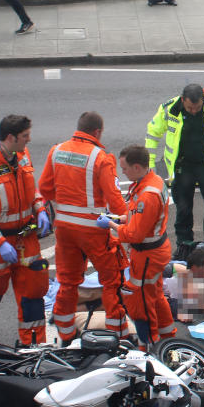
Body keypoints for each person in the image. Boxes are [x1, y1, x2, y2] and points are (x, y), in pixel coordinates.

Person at [38, 111, 129, 345]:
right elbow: (114, 198)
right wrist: (128, 218)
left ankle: (67, 334)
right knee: (112, 282)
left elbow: (45, 189)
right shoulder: (101, 157)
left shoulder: (57, 151)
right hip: (93, 231)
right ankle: (117, 334)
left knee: (68, 282)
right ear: (97, 132)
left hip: (65, 229)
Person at [0, 114, 52, 347]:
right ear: (11, 137)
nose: (29, 139)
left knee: (32, 299)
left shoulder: (22, 156)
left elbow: (30, 189)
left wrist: (40, 208)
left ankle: (33, 348)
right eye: (25, 136)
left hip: (26, 239)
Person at [97, 145, 177, 350]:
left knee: (140, 301)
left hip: (146, 254)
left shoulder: (146, 195)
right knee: (156, 295)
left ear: (137, 167)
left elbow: (135, 234)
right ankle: (168, 337)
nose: (122, 172)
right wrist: (123, 218)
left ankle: (149, 347)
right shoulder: (152, 182)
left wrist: (113, 225)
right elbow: (140, 219)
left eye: (124, 168)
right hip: (155, 250)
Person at [145, 83, 204, 247]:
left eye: (197, 107)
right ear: (183, 100)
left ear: (203, 99)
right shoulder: (170, 109)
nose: (194, 111)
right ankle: (184, 244)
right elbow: (153, 133)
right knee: (183, 208)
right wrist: (150, 162)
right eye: (189, 108)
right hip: (183, 166)